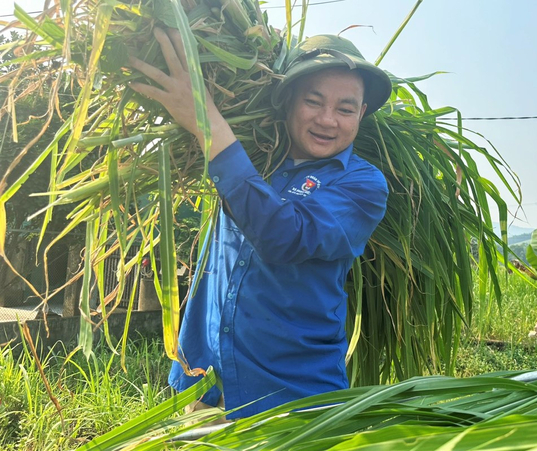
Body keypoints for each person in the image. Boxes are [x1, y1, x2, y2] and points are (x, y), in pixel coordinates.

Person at [128, 29, 392, 418]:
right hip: (203, 382)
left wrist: (208, 124)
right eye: (313, 101)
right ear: (287, 102)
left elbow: (284, 237)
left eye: (345, 109)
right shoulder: (250, 154)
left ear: (362, 114)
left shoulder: (363, 184)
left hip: (293, 399)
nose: (327, 119)